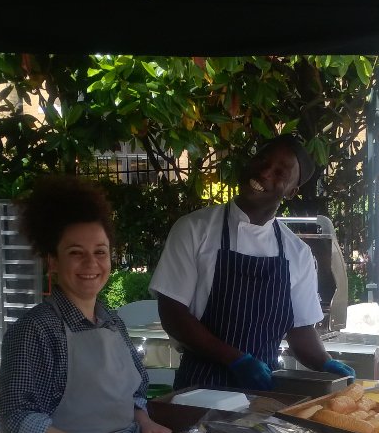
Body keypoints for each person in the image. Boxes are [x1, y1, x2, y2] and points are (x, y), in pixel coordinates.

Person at [0, 176, 171, 433]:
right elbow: (14, 419)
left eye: (100, 251)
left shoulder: (113, 321)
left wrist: (143, 421)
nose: (91, 263)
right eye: (76, 252)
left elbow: (135, 392)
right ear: (52, 261)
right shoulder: (35, 329)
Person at [150, 134, 355, 390]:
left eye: (280, 171)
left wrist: (326, 363)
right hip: (200, 388)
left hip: (264, 389)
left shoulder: (297, 253)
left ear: (292, 191)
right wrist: (236, 359)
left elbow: (300, 330)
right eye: (262, 159)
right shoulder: (194, 229)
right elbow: (172, 314)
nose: (265, 171)